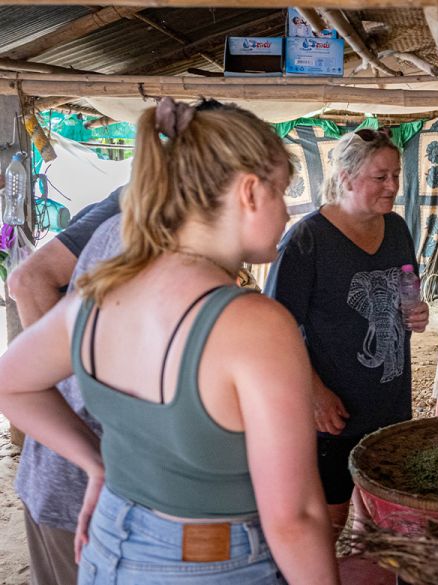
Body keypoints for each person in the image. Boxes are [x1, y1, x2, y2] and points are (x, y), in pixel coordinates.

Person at [0, 97, 339, 584]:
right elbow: (295, 519)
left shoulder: (99, 295)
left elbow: (12, 384)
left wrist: (96, 466)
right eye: (282, 191)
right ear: (248, 192)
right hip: (211, 563)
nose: (287, 212)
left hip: (108, 551)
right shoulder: (255, 324)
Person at [265, 127, 429, 537]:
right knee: (330, 515)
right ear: (346, 177)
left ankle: (362, 558)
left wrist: (418, 311)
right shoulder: (307, 241)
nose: (393, 185)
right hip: (333, 407)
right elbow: (275, 328)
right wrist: (314, 392)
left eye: (396, 175)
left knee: (378, 503)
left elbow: (406, 284)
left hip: (390, 396)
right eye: (380, 177)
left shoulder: (396, 229)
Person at [8, 188, 122, 585]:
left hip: (66, 470)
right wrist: (76, 391)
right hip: (78, 478)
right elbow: (27, 280)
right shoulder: (134, 210)